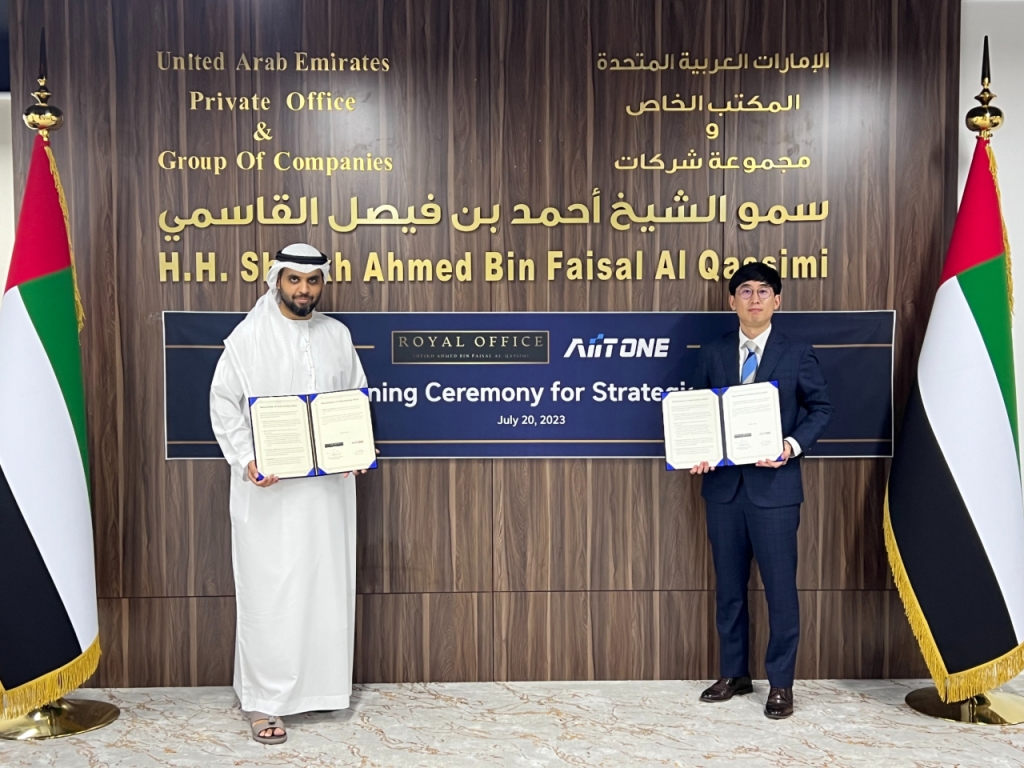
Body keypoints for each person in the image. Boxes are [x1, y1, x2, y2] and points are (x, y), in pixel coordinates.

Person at [209, 243, 370, 744]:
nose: (304, 289)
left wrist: (355, 449)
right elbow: (223, 403)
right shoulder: (249, 337)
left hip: (328, 491)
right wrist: (246, 459)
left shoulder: (337, 335)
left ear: (323, 283)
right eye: (294, 279)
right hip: (270, 491)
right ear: (277, 279)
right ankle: (264, 702)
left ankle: (320, 691)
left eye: (312, 280)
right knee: (271, 592)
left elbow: (354, 398)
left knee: (325, 585)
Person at [689, 262, 831, 719]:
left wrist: (790, 446)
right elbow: (699, 411)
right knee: (729, 589)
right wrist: (700, 449)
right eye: (745, 291)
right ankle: (734, 673)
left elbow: (821, 409)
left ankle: (781, 683)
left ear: (777, 301)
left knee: (780, 591)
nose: (754, 298)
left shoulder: (797, 352)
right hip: (724, 490)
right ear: (731, 301)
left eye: (763, 291)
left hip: (775, 490)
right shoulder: (712, 352)